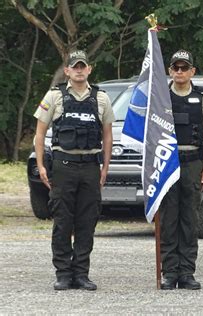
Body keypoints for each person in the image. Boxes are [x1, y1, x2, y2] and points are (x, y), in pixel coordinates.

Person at [34, 50, 114, 291]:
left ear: (89, 69)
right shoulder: (54, 96)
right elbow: (39, 134)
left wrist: (105, 167)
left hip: (90, 166)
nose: (79, 70)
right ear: (67, 70)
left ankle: (81, 273)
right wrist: (40, 165)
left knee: (87, 222)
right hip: (63, 166)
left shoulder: (101, 98)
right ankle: (63, 273)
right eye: (74, 67)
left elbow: (108, 136)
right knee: (62, 221)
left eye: (83, 66)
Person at [160, 49, 203, 290]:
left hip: (193, 162)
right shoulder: (161, 98)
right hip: (168, 163)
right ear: (169, 71)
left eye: (184, 67)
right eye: (175, 67)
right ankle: (169, 272)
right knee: (168, 219)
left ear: (192, 71)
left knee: (189, 219)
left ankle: (186, 272)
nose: (179, 72)